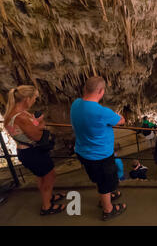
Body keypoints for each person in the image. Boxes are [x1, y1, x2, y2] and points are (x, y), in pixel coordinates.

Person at [4, 85, 66, 216]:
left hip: (27, 152)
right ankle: (47, 206)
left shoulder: (12, 114)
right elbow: (37, 136)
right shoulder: (21, 117)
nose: (34, 101)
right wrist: (42, 124)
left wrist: (35, 122)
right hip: (33, 153)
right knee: (49, 177)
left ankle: (48, 198)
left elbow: (28, 129)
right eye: (34, 98)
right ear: (27, 99)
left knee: (41, 176)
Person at [71, 77, 126, 221]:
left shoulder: (76, 104)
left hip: (83, 152)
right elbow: (121, 120)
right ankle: (108, 209)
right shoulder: (102, 112)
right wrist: (117, 115)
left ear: (85, 89)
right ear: (101, 91)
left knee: (99, 179)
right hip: (100, 156)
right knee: (104, 182)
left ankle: (106, 197)